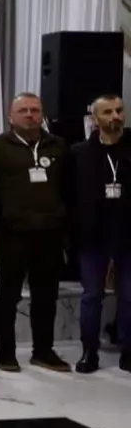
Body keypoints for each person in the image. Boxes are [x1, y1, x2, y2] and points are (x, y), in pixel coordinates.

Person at [0, 93, 72, 373]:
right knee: (8, 294)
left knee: (46, 296)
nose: (30, 115)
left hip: (50, 233)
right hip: (12, 233)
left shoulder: (58, 146)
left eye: (35, 110)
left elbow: (69, 190)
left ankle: (43, 351)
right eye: (23, 110)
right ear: (10, 117)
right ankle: (5, 353)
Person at [67, 94, 131, 374]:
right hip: (92, 236)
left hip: (128, 235)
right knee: (92, 296)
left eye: (119, 110)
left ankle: (128, 350)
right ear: (94, 118)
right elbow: (69, 196)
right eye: (108, 112)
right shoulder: (79, 153)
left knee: (129, 296)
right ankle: (89, 351)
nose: (115, 116)